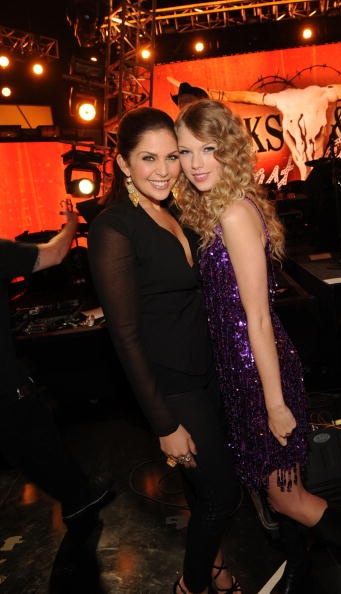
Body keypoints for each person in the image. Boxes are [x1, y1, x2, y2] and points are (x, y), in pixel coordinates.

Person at [174, 99, 341, 594]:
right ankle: (300, 568)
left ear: (229, 150)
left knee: (287, 497)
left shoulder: (235, 214)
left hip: (259, 374)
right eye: (185, 151)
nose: (196, 162)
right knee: (277, 490)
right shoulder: (220, 206)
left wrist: (274, 404)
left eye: (208, 149)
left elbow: (258, 318)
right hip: (242, 373)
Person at [87, 106, 241, 594]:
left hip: (205, 372)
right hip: (171, 386)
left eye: (171, 156)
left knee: (202, 489)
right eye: (148, 158)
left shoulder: (173, 210)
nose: (164, 170)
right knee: (222, 493)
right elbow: (124, 336)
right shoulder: (113, 227)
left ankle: (216, 571)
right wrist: (163, 425)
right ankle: (191, 586)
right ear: (122, 163)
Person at [0, 206, 112, 593]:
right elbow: (56, 253)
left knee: (24, 449)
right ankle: (81, 501)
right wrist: (72, 225)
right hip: (6, 387)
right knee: (38, 440)